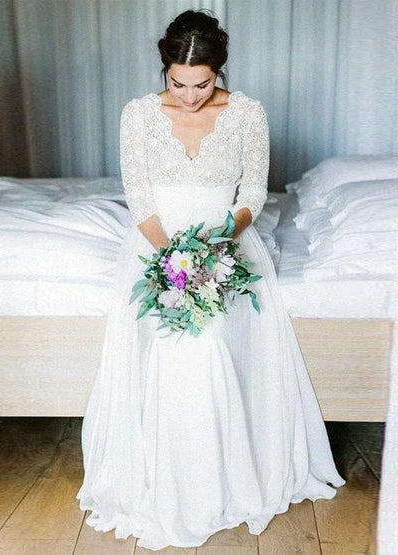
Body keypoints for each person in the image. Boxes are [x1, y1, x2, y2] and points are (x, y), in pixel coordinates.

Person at [76, 9, 346, 551]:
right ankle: (164, 483)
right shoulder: (138, 114)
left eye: (201, 84)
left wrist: (216, 245)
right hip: (157, 246)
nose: (189, 96)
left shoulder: (247, 113)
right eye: (178, 83)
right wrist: (174, 259)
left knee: (212, 342)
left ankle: (223, 479)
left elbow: (253, 192)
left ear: (218, 71)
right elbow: (139, 195)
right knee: (169, 347)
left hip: (226, 244)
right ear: (165, 69)